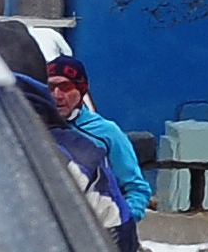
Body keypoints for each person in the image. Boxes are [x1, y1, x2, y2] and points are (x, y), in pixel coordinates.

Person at [45, 58, 154, 224]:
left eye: (66, 87)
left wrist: (123, 224)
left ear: (81, 90)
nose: (57, 95)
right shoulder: (32, 127)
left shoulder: (107, 133)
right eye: (51, 87)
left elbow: (137, 189)